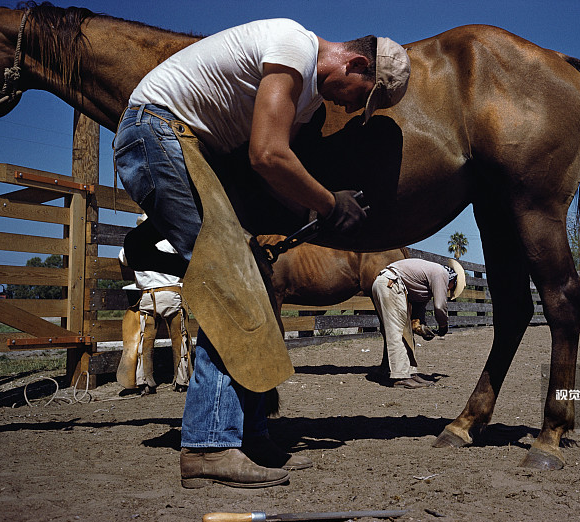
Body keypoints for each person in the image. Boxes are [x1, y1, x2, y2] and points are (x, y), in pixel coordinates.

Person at [113, 18, 410, 489]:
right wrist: (331, 202)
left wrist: (323, 215)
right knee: (232, 284)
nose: (352, 107)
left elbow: (277, 179)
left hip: (187, 147)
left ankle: (249, 435)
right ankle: (209, 447)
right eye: (361, 95)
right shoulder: (293, 44)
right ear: (355, 63)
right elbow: (267, 155)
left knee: (252, 276)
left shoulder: (307, 102)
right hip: (156, 133)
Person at [117, 215, 193, 396]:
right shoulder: (172, 242)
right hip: (172, 294)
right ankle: (182, 380)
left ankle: (144, 381)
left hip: (147, 297)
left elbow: (123, 259)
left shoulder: (133, 246)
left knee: (145, 339)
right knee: (180, 337)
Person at [371, 258, 465, 388]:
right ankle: (401, 376)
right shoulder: (441, 273)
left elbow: (419, 306)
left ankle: (410, 372)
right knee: (397, 332)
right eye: (452, 287)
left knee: (407, 332)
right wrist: (443, 325)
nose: (448, 290)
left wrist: (421, 326)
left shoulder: (427, 280)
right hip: (391, 283)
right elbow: (439, 306)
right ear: (453, 280)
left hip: (390, 283)